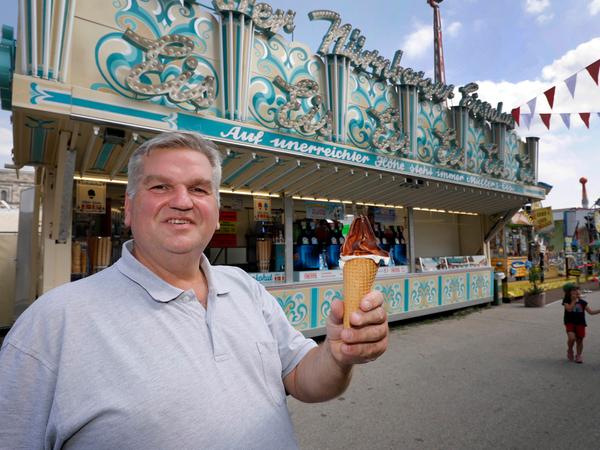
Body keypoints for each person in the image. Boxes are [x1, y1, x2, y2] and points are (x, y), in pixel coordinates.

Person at [0, 132, 388, 449]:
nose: (182, 201)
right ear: (130, 209)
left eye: (199, 189)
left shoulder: (245, 288)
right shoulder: (52, 324)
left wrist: (337, 355)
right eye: (161, 186)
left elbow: (303, 378)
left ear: (216, 211)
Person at [562, 282, 600, 364]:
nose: (576, 291)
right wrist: (573, 301)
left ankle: (578, 355)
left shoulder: (583, 302)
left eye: (577, 289)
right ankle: (570, 350)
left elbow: (591, 312)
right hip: (570, 322)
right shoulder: (566, 301)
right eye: (573, 290)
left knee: (580, 340)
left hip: (580, 323)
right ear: (569, 292)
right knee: (572, 338)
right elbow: (569, 309)